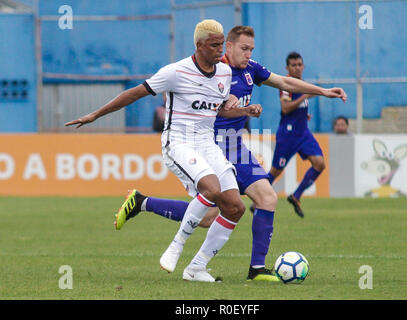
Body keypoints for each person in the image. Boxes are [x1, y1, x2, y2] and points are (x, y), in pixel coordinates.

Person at [113, 27, 347, 281]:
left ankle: (256, 270)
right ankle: (143, 203)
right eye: (244, 49)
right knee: (208, 217)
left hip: (237, 147)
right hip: (212, 147)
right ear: (229, 47)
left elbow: (284, 81)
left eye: (251, 50)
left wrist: (322, 91)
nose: (248, 54)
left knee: (267, 197)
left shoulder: (251, 70)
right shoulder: (214, 69)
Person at [65, 19, 254, 283]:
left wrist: (243, 110)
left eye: (221, 44)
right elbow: (134, 93)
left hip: (206, 143)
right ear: (199, 45)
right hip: (178, 142)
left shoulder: (224, 72)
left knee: (235, 208)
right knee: (211, 190)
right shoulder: (175, 72)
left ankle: (197, 267)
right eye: (214, 45)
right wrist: (95, 115)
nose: (219, 50)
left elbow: (217, 107)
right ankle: (176, 245)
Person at [267, 51, 342, 218]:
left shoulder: (302, 85)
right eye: (293, 65)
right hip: (288, 135)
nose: (297, 68)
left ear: (303, 66)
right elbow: (285, 108)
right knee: (275, 171)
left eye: (299, 65)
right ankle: (259, 197)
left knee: (319, 163)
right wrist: (304, 98)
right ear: (287, 68)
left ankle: (296, 195)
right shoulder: (285, 85)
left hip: (303, 133)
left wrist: (304, 114)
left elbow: (299, 106)